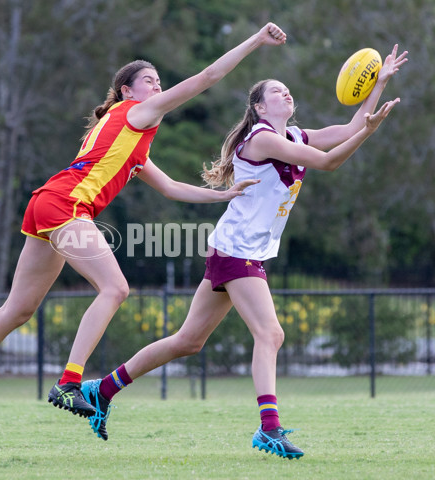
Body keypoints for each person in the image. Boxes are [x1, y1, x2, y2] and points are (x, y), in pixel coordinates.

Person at [0, 22, 288, 441]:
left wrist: (223, 196)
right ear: (128, 92)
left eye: (159, 81)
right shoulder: (135, 113)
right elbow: (206, 78)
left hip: (50, 202)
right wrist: (256, 40)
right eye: (149, 81)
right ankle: (69, 383)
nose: (157, 87)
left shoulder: (133, 140)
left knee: (18, 309)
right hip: (65, 205)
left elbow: (171, 188)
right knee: (114, 288)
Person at [79, 45, 408, 459]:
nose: (287, 94)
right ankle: (269, 428)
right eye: (278, 91)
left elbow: (352, 125)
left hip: (235, 247)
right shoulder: (262, 139)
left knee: (187, 341)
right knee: (270, 333)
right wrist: (368, 131)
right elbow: (328, 162)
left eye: (289, 91)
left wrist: (377, 84)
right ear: (258, 105)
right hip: (237, 250)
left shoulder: (291, 135)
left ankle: (102, 389)